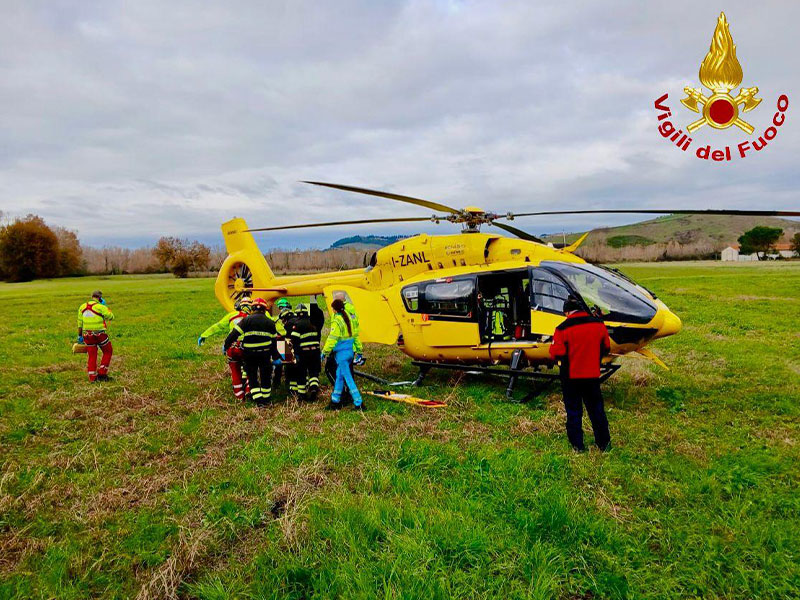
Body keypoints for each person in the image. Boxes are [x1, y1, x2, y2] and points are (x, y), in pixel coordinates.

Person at [548, 296, 612, 452]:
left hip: (571, 377)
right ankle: (604, 443)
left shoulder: (562, 328)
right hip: (592, 376)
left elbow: (556, 353)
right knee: (597, 410)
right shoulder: (598, 325)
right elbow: (606, 347)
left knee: (574, 411)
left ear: (567, 312)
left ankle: (578, 445)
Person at [224, 297, 286, 406]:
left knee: (252, 377)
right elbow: (273, 343)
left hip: (249, 355)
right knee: (265, 376)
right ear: (264, 309)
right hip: (265, 355)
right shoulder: (270, 322)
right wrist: (276, 357)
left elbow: (234, 334)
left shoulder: (246, 320)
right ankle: (266, 399)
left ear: (253, 308)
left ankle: (258, 400)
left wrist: (226, 346)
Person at [198, 296, 252, 400]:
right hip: (248, 348)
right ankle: (249, 390)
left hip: (233, 347)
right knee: (251, 369)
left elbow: (218, 326)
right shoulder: (254, 317)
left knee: (235, 371)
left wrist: (204, 335)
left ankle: (239, 396)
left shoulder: (232, 316)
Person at [322, 298, 363, 410]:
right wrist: (359, 351)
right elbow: (356, 335)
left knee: (348, 379)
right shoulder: (349, 318)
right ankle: (335, 401)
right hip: (350, 352)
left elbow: (332, 338)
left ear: (334, 309)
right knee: (339, 377)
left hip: (341, 355)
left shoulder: (337, 321)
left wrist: (324, 352)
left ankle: (359, 402)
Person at [77, 290, 114, 382]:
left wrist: (79, 336)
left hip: (87, 335)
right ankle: (102, 373)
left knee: (92, 355)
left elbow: (80, 323)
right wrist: (105, 307)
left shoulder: (82, 307)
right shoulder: (101, 307)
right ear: (100, 298)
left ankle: (92, 378)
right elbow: (111, 317)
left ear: (92, 297)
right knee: (108, 351)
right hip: (100, 334)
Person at [287, 303, 322, 401]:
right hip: (315, 351)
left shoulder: (297, 325)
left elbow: (294, 340)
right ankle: (314, 388)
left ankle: (302, 395)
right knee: (314, 372)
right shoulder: (314, 323)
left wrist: (295, 354)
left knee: (301, 374)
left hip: (304, 353)